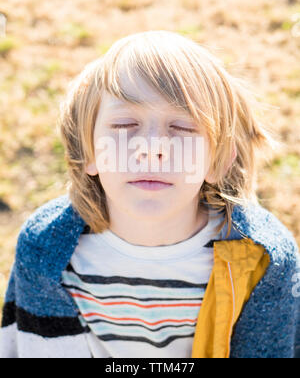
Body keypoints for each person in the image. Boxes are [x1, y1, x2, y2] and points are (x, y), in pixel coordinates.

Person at [0, 30, 299, 358]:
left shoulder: (265, 261)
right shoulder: (45, 250)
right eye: (125, 125)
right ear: (89, 151)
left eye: (182, 128)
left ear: (218, 162)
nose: (153, 148)